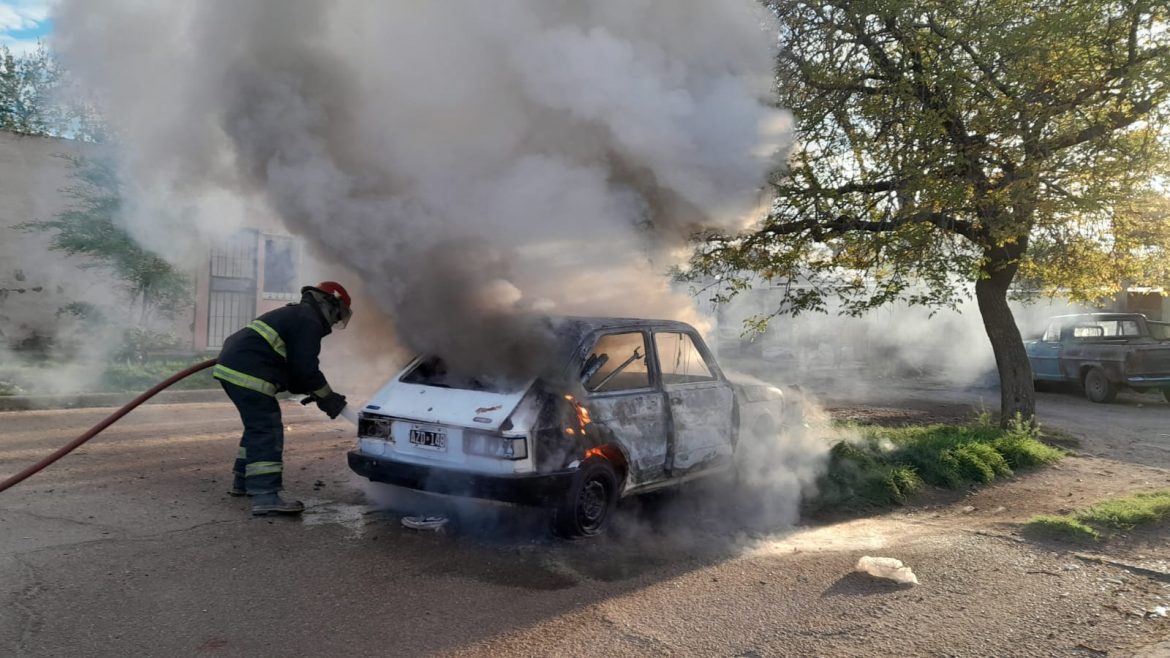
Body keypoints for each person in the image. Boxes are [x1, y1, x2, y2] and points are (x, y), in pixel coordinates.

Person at [213, 281, 352, 515]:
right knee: (267, 429)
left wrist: (314, 392)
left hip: (234, 367)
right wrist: (328, 397)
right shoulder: (310, 321)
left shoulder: (298, 315)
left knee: (256, 427)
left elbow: (294, 370)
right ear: (329, 303)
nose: (336, 321)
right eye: (338, 315)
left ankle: (243, 482)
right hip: (249, 371)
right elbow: (305, 369)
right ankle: (266, 496)